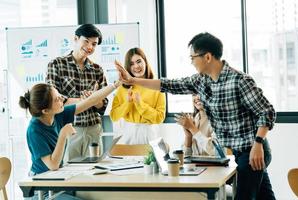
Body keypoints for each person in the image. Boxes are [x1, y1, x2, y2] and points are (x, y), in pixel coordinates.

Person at [115, 32, 276, 200]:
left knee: (244, 196)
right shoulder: (201, 81)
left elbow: (266, 111)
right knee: (265, 196)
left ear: (207, 57)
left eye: (193, 57)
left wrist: (258, 144)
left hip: (254, 148)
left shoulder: (239, 80)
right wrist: (132, 80)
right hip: (239, 150)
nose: (191, 62)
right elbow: (169, 84)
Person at [19, 82, 119, 200]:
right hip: (42, 189)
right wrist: (63, 134)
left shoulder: (58, 114)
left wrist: (116, 84)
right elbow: (53, 165)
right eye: (57, 99)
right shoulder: (34, 130)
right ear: (45, 110)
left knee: (96, 193)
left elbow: (91, 100)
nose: (62, 98)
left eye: (59, 95)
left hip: (57, 181)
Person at [46, 24, 108, 162]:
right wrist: (85, 99)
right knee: (68, 172)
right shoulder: (56, 64)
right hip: (69, 128)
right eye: (86, 41)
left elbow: (103, 106)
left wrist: (95, 99)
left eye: (94, 44)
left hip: (94, 129)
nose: (90, 47)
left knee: (94, 173)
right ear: (75, 39)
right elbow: (54, 101)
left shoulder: (97, 69)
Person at [110, 47, 166, 144]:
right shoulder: (122, 88)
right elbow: (114, 116)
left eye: (139, 61)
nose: (136, 66)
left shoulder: (156, 86)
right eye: (132, 64)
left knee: (149, 159)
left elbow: (160, 117)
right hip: (128, 134)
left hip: (150, 134)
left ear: (145, 61)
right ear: (128, 67)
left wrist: (140, 104)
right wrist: (128, 103)